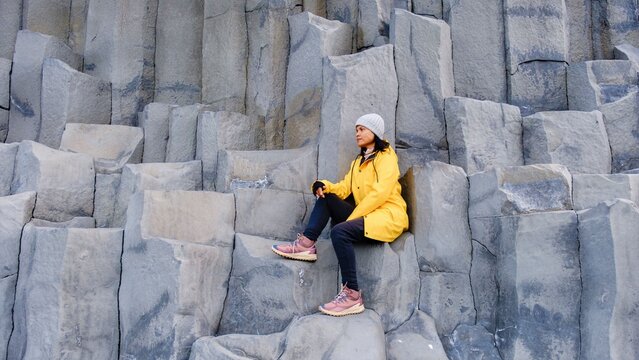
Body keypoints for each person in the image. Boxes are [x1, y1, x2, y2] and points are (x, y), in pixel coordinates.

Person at [271, 113, 409, 317]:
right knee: (326, 197)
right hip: (367, 214)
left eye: (362, 129)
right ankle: (306, 245)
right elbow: (345, 188)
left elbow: (380, 193)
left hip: (388, 216)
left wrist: (353, 217)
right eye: (356, 130)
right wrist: (322, 185)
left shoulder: (386, 157)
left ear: (375, 132)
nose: (357, 133)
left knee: (339, 232)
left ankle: (352, 295)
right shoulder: (359, 161)